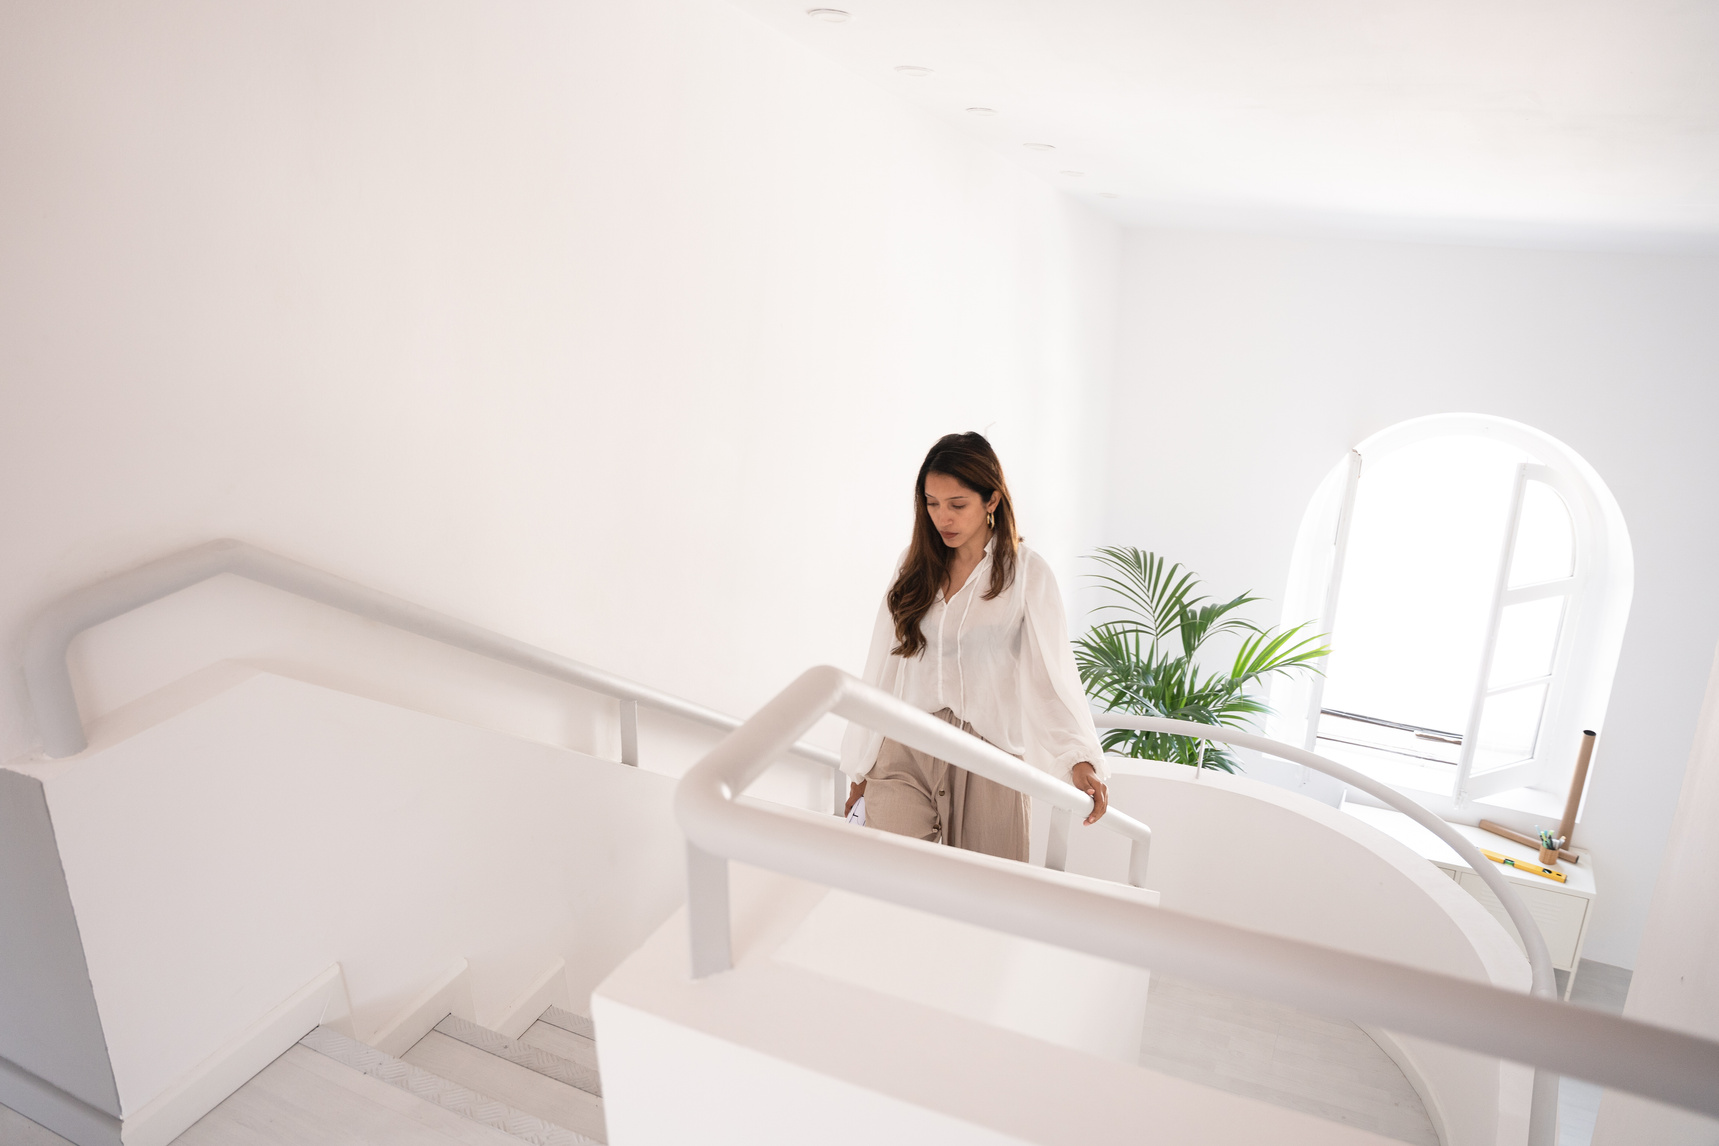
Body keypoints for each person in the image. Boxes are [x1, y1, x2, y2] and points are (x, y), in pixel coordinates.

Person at [840, 432, 1109, 862]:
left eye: (956, 504)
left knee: (991, 900)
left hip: (990, 758)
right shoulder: (913, 565)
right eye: (931, 503)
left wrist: (1078, 757)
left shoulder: (1027, 574)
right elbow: (883, 666)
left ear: (992, 501)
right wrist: (860, 763)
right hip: (906, 748)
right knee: (893, 879)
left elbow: (1051, 673)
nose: (942, 517)